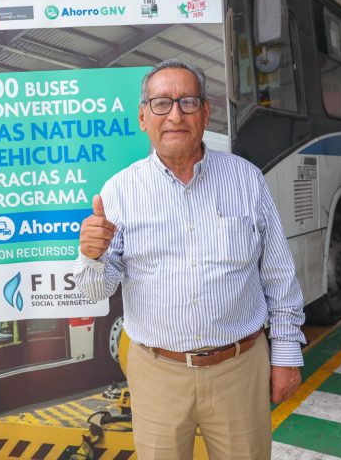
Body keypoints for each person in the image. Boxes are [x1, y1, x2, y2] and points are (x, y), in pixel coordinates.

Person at [74, 60, 306, 460]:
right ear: (143, 116)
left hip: (240, 366)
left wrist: (285, 356)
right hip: (158, 371)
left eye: (188, 101)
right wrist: (91, 257)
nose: (175, 115)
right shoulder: (120, 191)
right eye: (162, 104)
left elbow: (279, 276)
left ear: (206, 112)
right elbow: (98, 289)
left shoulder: (246, 180)